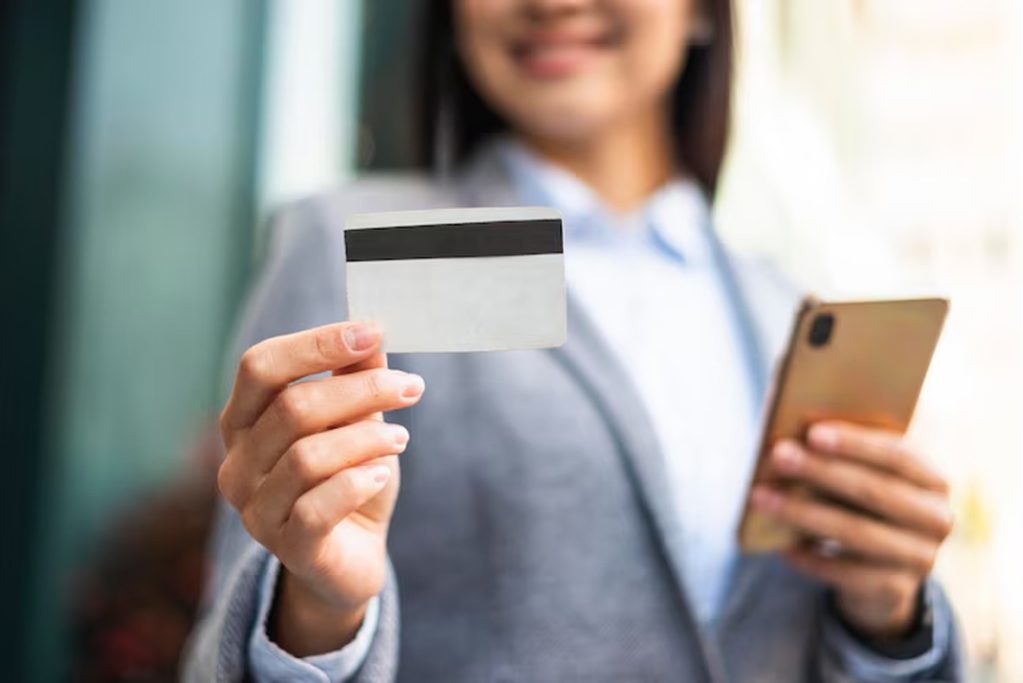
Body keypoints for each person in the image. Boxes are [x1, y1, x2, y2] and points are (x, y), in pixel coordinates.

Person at [184, 0, 963, 680]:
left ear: (700, 9)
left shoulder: (785, 303)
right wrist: (317, 609)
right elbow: (224, 641)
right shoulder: (354, 244)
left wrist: (888, 617)